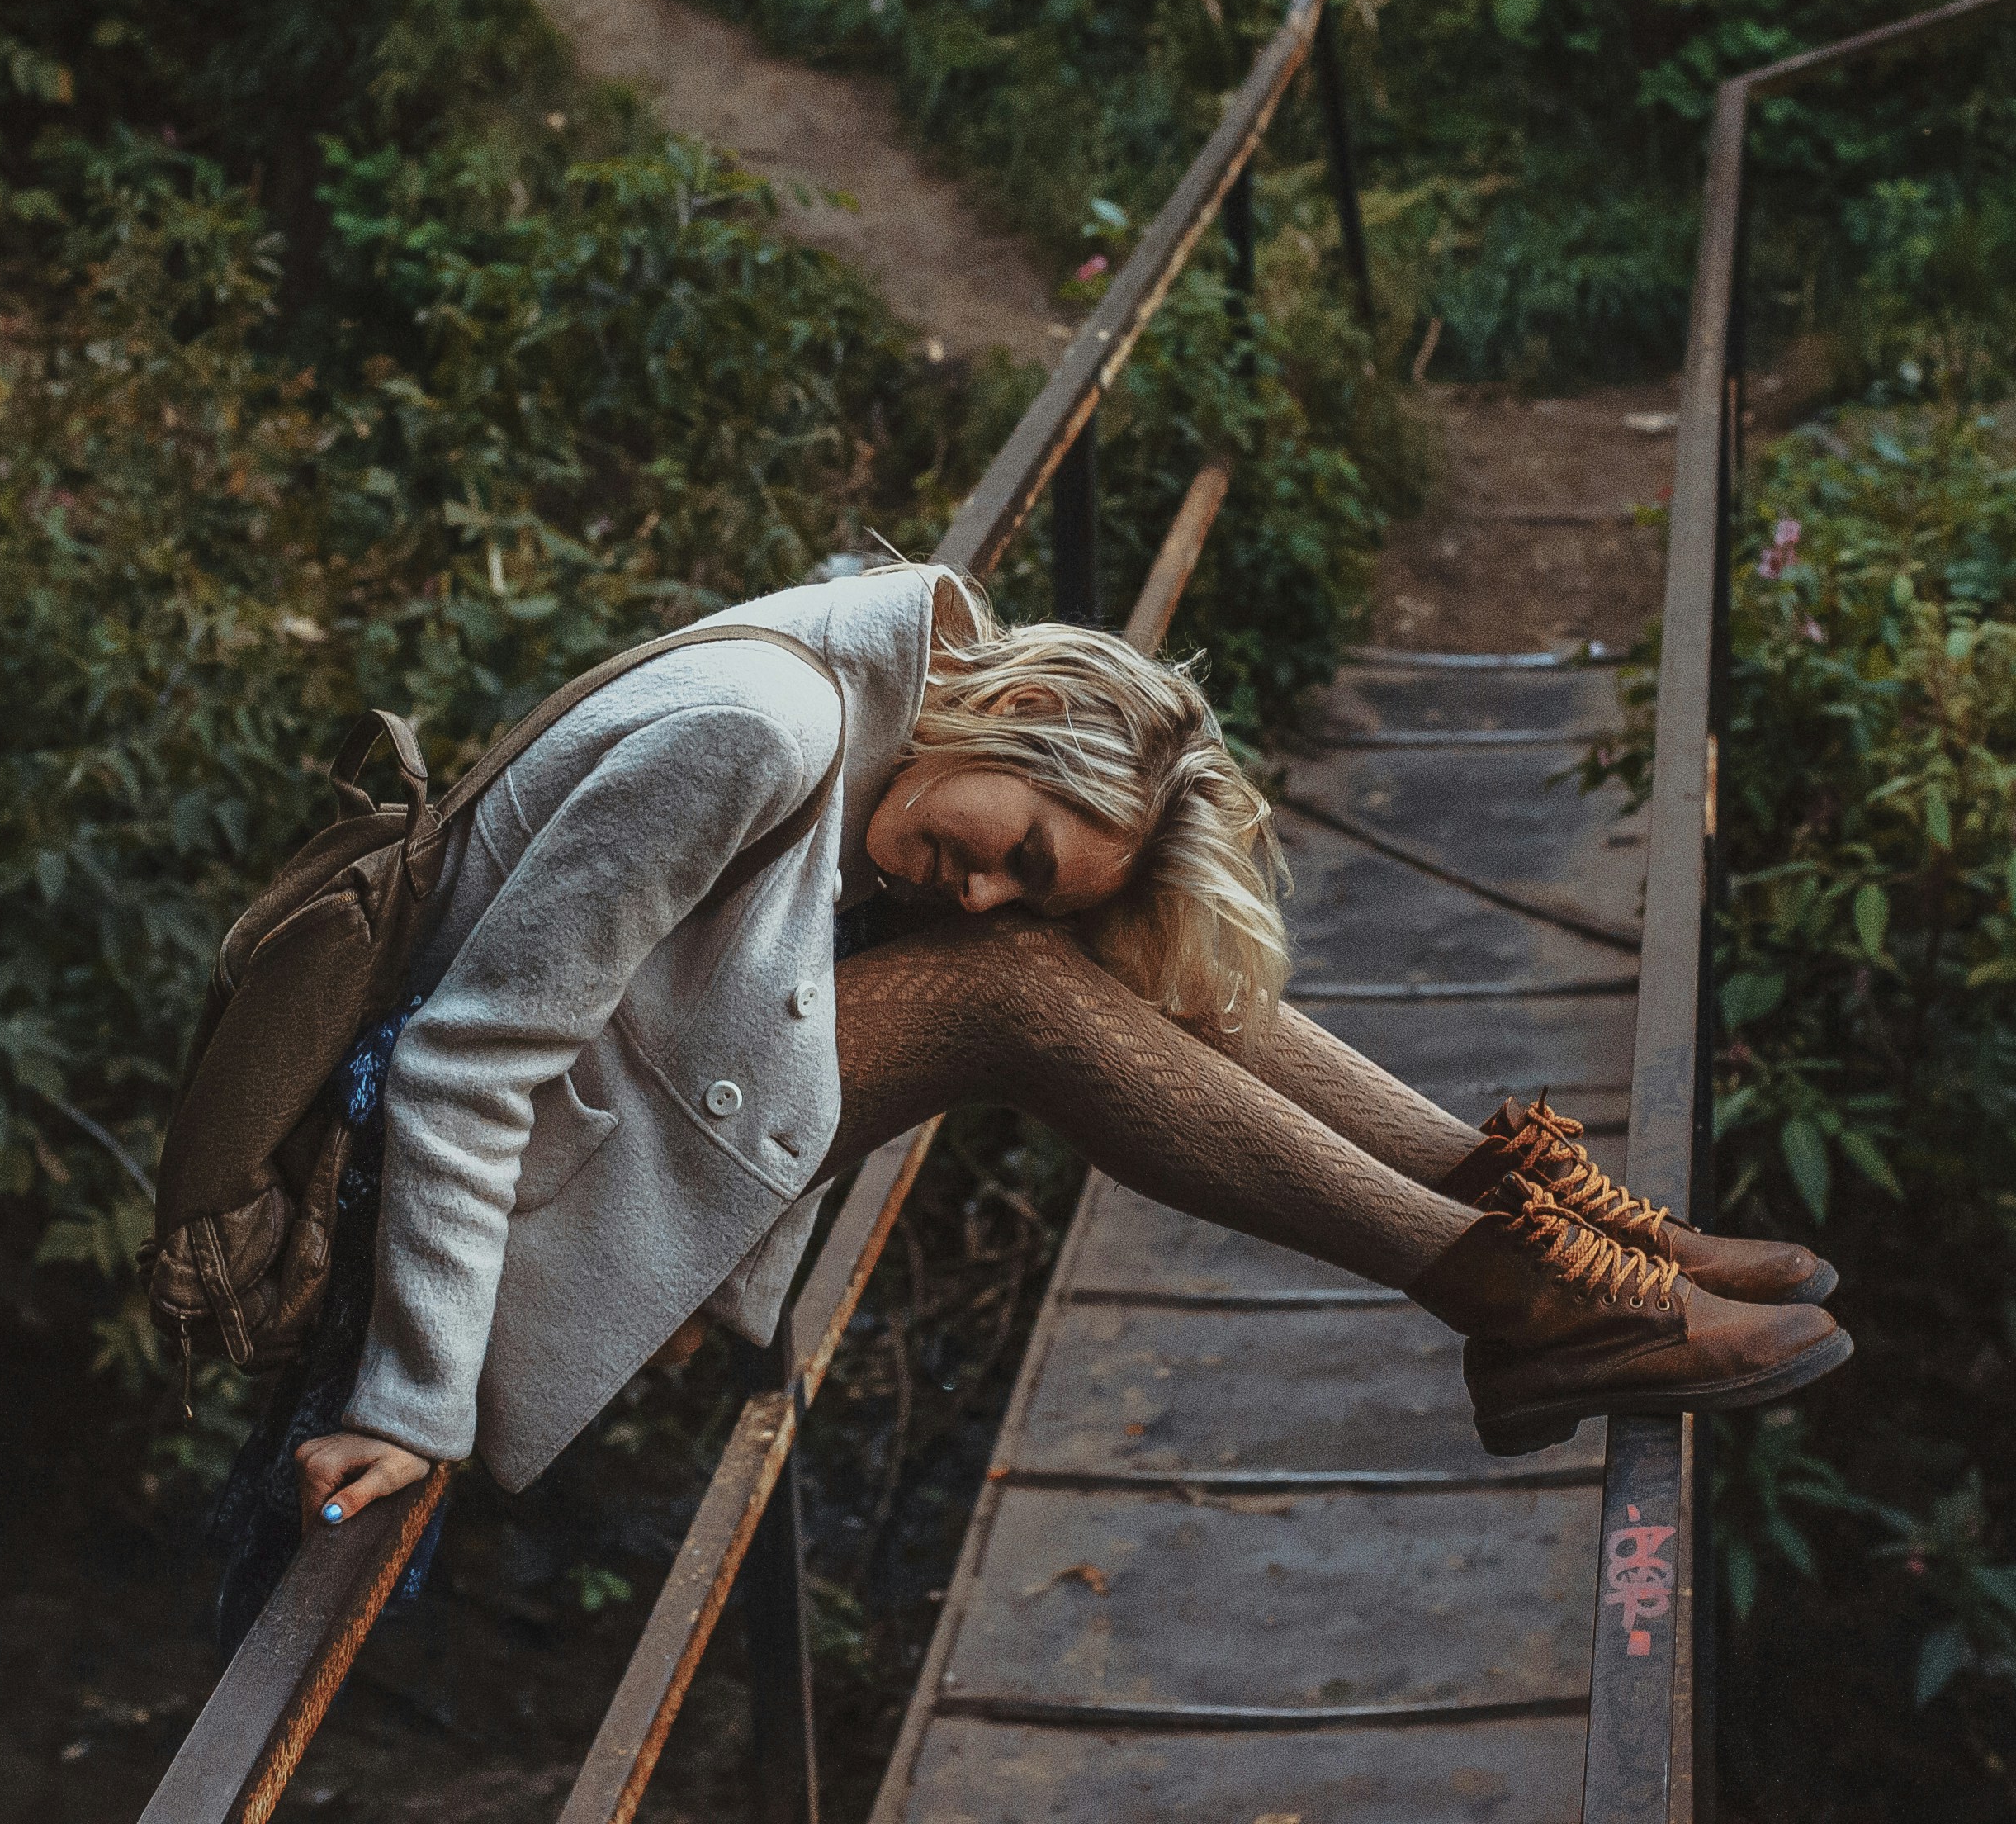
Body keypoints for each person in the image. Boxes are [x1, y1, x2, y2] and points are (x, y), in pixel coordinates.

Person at [283, 560, 1848, 1540]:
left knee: (1095, 948)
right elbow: (465, 1058)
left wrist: (1060, 897)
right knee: (1009, 992)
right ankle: (1508, 1294)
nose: (968, 885)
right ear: (1018, 701)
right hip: (449, 1186)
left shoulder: (900, 692)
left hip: (613, 1094)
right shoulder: (757, 730)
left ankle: (1533, 1215)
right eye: (1008, 843)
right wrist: (411, 1400)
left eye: (1010, 867)